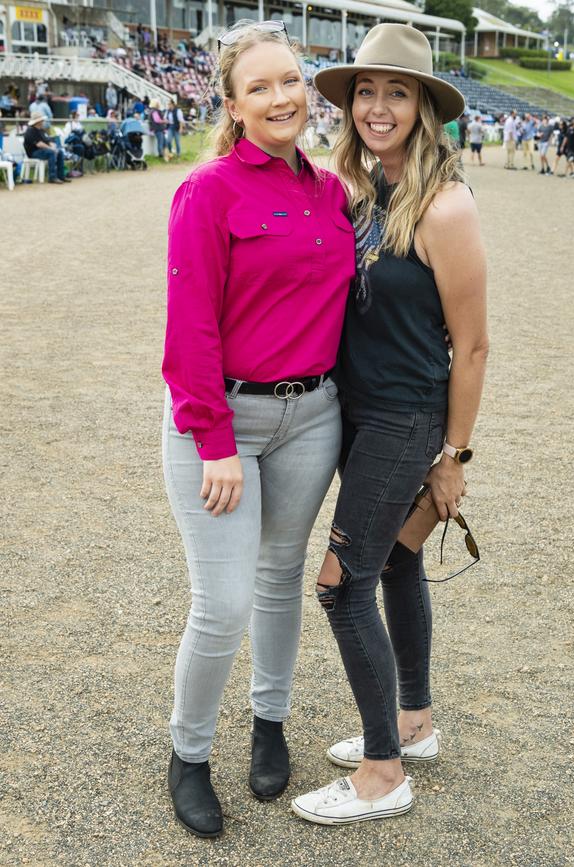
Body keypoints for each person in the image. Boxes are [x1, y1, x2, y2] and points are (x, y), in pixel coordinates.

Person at [161, 20, 356, 839]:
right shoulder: (208, 190)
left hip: (312, 413)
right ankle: (189, 751)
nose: (282, 97)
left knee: (281, 579)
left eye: (291, 81)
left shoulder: (331, 190)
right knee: (223, 600)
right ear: (234, 104)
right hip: (223, 419)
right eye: (261, 86)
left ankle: (268, 721)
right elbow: (190, 324)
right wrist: (213, 441)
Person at [292, 22, 488, 826]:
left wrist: (454, 455)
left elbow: (473, 345)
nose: (376, 107)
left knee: (342, 586)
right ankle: (414, 723)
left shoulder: (445, 204)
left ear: (423, 107)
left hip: (406, 420)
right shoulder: (368, 188)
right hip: (357, 412)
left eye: (395, 93)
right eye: (365, 92)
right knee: (399, 564)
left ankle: (382, 773)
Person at [23, 114, 70, 184]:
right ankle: (52, 177)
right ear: (38, 122)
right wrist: (51, 149)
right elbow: (39, 144)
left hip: (43, 151)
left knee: (60, 152)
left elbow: (48, 140)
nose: (43, 121)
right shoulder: (30, 131)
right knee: (51, 153)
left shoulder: (41, 130)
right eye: (41, 120)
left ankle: (61, 176)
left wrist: (53, 147)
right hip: (34, 153)